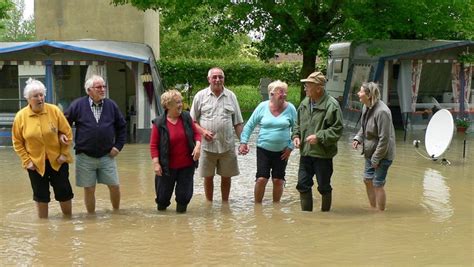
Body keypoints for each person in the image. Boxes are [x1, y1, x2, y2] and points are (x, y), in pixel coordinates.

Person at [12, 78, 74, 218]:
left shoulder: (54, 111)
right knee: (41, 195)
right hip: (35, 164)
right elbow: (17, 142)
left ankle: (68, 221)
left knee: (64, 192)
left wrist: (64, 153)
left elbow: (67, 132)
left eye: (42, 95)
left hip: (58, 160)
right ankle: (43, 225)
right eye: (35, 96)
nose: (40, 98)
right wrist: (27, 161)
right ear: (28, 99)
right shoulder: (20, 117)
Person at [64, 75, 127, 214]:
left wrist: (118, 146)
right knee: (89, 188)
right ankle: (91, 217)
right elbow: (64, 124)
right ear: (89, 90)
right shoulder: (77, 105)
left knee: (114, 186)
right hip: (84, 156)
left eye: (104, 86)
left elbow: (122, 127)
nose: (102, 89)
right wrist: (64, 138)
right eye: (99, 87)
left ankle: (116, 213)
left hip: (107, 155)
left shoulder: (111, 105)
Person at [190, 67, 244, 202]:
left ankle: (225, 203)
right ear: (209, 79)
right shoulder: (200, 96)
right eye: (214, 77)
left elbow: (237, 123)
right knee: (208, 177)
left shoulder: (231, 96)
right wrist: (203, 131)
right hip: (207, 146)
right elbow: (192, 121)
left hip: (227, 145)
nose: (218, 79)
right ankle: (209, 204)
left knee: (227, 176)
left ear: (224, 79)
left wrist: (243, 142)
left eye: (220, 77)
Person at [239, 80, 297, 203]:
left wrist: (290, 147)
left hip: (283, 151)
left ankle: (276, 207)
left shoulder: (291, 108)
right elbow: (249, 125)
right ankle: (257, 207)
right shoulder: (262, 107)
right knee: (261, 179)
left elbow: (297, 129)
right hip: (263, 149)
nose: (284, 95)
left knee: (278, 180)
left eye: (285, 92)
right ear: (271, 94)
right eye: (280, 92)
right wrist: (243, 142)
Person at [292, 71, 343, 212]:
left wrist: (319, 136)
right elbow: (297, 123)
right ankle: (306, 219)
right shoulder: (304, 103)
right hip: (306, 153)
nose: (305, 88)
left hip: (323, 155)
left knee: (323, 186)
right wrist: (296, 136)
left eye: (308, 86)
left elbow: (338, 129)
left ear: (319, 88)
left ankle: (325, 216)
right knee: (302, 185)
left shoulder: (332, 105)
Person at [150, 90, 201, 213]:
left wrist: (198, 146)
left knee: (184, 197)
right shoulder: (159, 123)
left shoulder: (186, 117)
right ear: (168, 105)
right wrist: (156, 164)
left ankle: (182, 227)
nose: (180, 105)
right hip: (166, 167)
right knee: (162, 198)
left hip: (186, 166)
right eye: (177, 102)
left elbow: (196, 134)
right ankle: (162, 226)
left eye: (181, 102)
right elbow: (153, 145)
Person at [352, 82, 395, 211]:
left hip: (383, 154)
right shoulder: (366, 107)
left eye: (361, 92)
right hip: (370, 152)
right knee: (367, 180)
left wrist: (376, 159)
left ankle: (380, 213)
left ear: (369, 95)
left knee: (377, 184)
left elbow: (384, 139)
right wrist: (358, 138)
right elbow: (364, 127)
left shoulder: (382, 112)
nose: (358, 94)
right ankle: (373, 208)